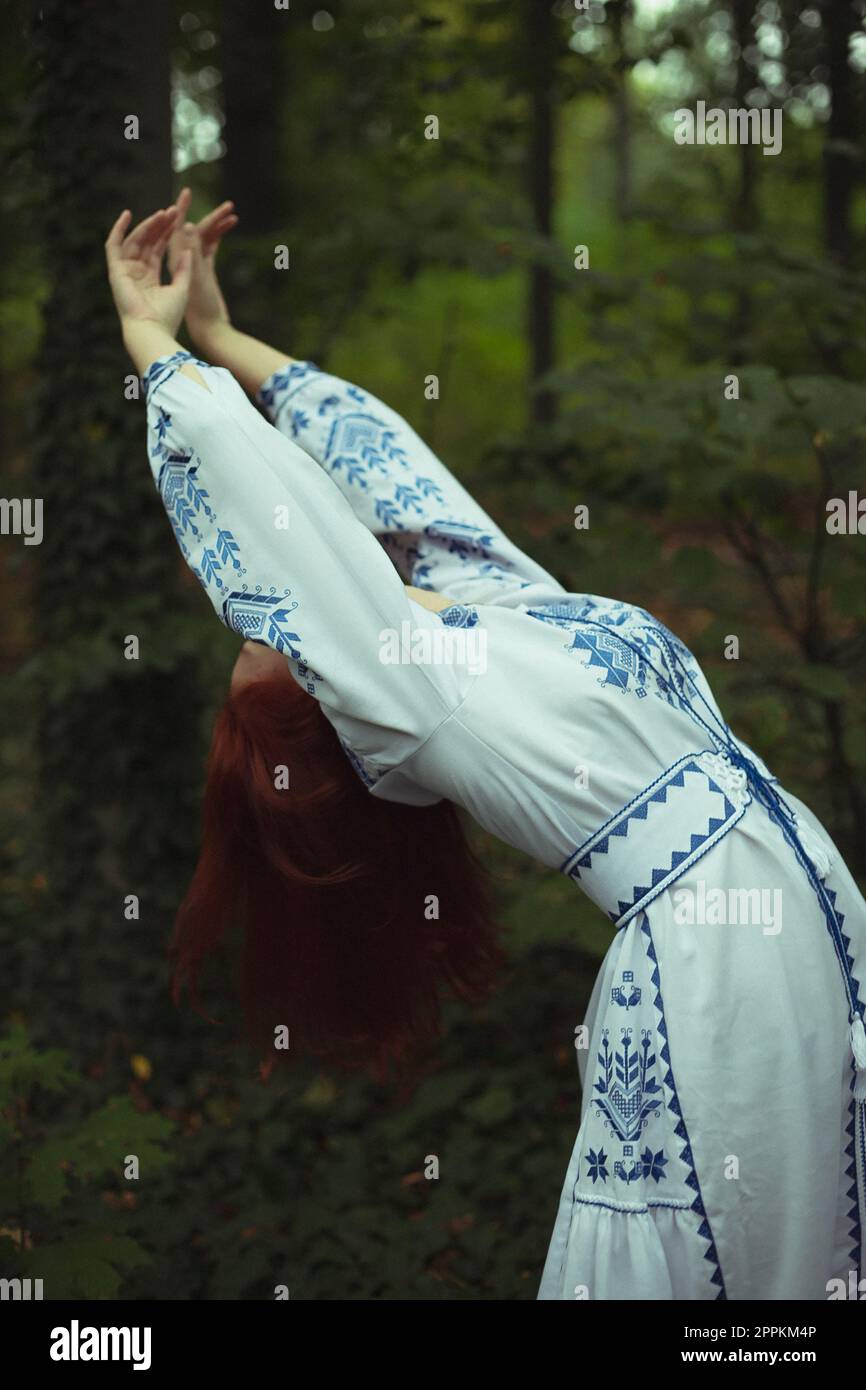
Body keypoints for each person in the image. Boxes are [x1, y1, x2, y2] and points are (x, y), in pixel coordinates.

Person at [105, 193, 866, 1302]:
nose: (270, 620)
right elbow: (241, 469)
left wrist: (215, 334)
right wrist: (143, 335)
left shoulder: (483, 614)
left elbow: (391, 465)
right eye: (270, 641)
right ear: (333, 702)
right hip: (713, 967)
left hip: (800, 909)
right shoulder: (409, 698)